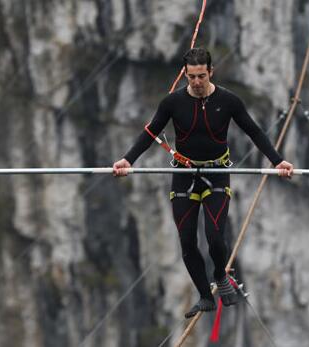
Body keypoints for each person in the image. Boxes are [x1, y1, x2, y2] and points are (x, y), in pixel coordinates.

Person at [113, 48, 294, 318]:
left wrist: (277, 161)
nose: (196, 82)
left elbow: (254, 131)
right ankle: (204, 296)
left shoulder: (229, 101)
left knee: (214, 237)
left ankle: (221, 276)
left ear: (210, 72)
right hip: (184, 175)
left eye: (200, 76)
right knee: (187, 241)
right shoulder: (172, 102)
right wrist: (128, 160)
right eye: (190, 77)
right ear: (185, 75)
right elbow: (150, 133)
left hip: (217, 173)